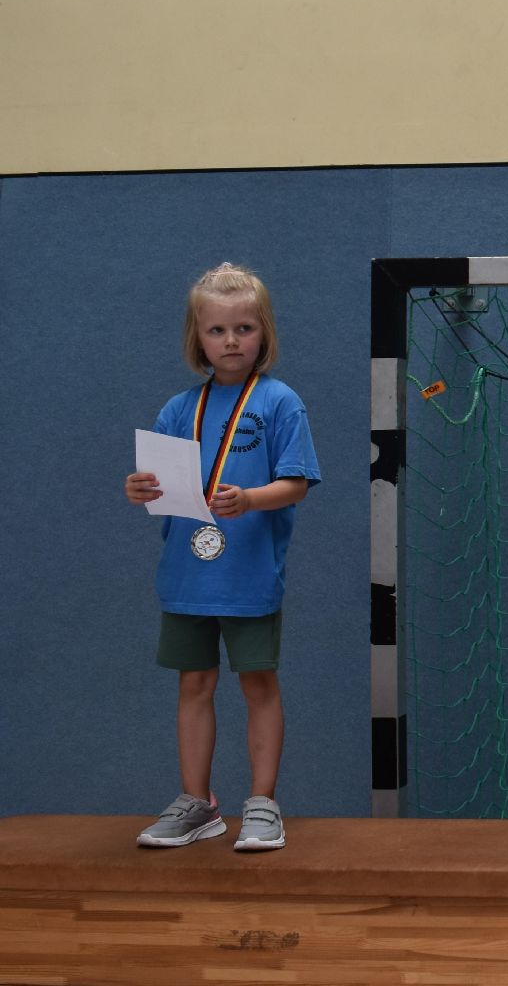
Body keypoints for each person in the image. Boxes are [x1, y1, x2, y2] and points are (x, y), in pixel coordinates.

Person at [124, 263, 320, 851]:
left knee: (258, 684)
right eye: (217, 330)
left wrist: (251, 498)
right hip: (187, 575)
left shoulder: (280, 402)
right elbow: (160, 487)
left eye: (244, 328)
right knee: (195, 684)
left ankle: (262, 803)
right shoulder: (179, 408)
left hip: (249, 575)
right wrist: (140, 489)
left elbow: (297, 484)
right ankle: (198, 804)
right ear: (198, 337)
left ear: (264, 333)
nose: (231, 341)